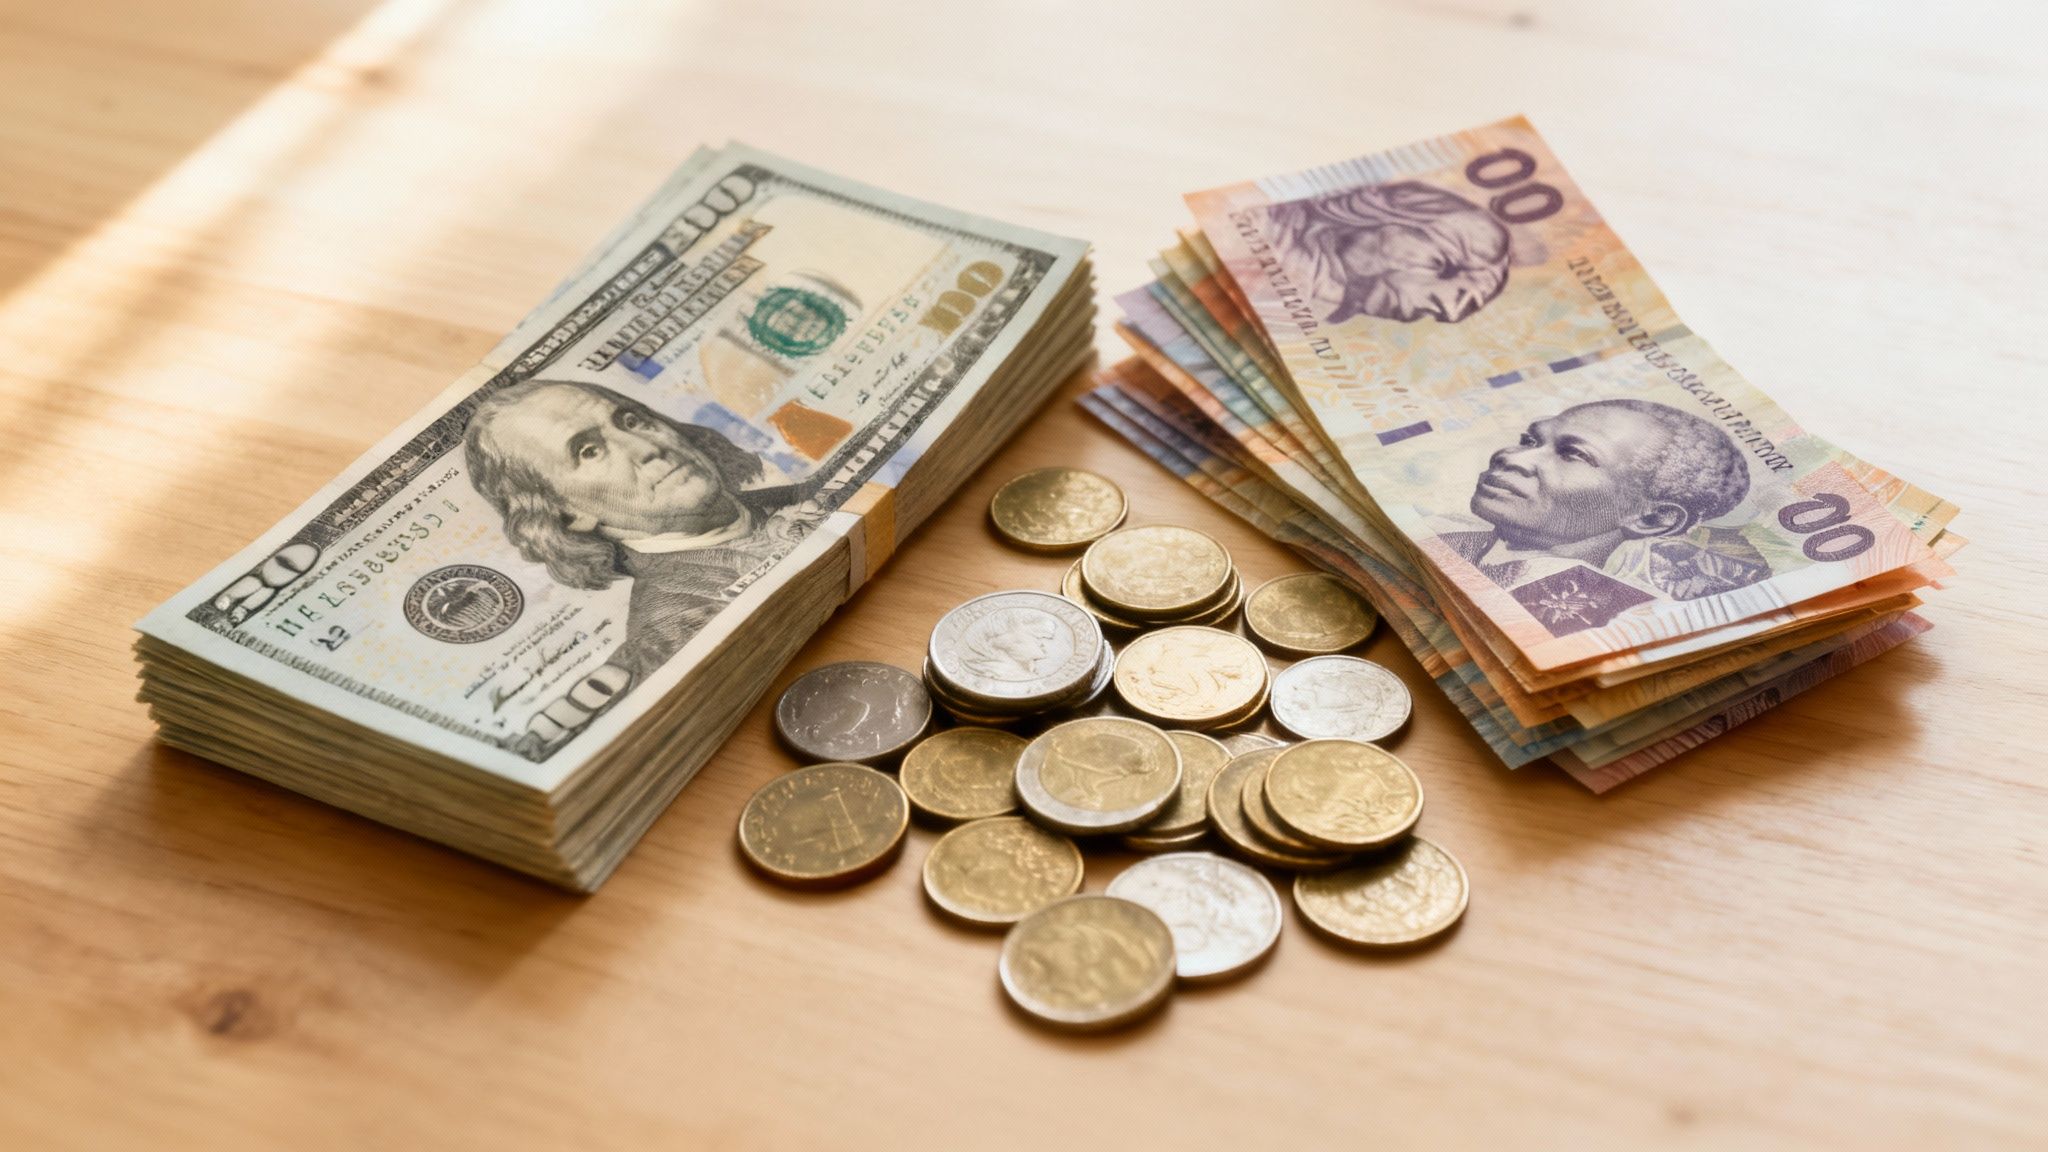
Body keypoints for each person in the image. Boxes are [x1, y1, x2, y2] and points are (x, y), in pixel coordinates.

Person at [464, 379, 818, 687]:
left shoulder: (810, 496)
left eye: (630, 421)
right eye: (590, 452)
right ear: (568, 514)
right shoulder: (670, 624)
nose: (647, 449)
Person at [1442, 398, 1770, 607]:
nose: (1511, 457)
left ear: (1652, 518)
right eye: (1530, 440)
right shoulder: (1444, 546)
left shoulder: (1620, 616)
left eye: (1574, 455)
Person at [1264, 181, 1513, 324]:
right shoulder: (1261, 223)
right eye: (1442, 265)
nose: (1450, 313)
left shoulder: (1297, 305)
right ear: (1386, 215)